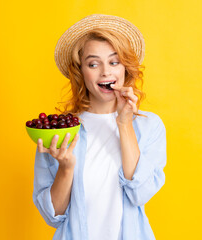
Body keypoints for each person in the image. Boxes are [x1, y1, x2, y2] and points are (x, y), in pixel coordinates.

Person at [32, 14, 167, 240]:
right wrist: (65, 168)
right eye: (93, 64)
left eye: (114, 62)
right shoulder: (59, 132)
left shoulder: (148, 126)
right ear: (81, 73)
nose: (105, 71)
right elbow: (52, 215)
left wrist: (124, 123)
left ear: (125, 68)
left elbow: (140, 194)